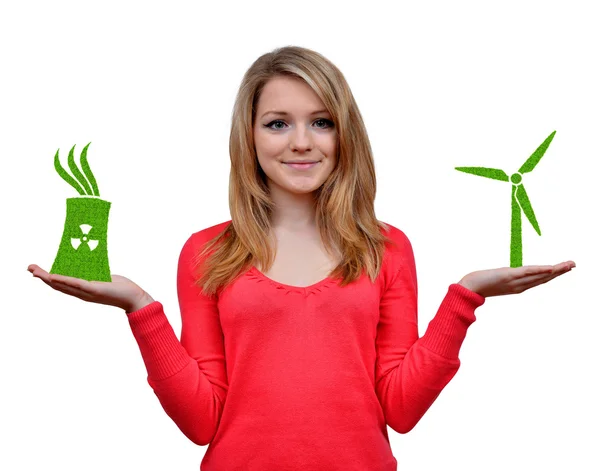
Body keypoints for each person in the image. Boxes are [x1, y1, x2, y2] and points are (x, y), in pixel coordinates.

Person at [28, 45, 575, 470]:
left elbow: (401, 409)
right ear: (250, 135)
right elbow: (201, 422)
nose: (300, 142)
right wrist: (139, 308)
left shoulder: (386, 249)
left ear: (344, 134)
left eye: (321, 121)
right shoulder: (207, 253)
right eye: (277, 122)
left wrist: (466, 297)